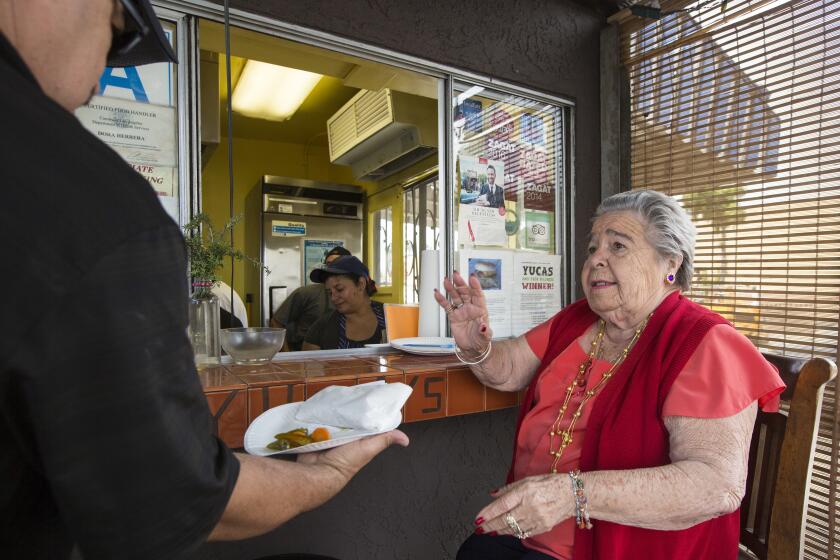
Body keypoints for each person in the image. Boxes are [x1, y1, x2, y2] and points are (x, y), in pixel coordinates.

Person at [0, 2, 407, 559]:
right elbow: (171, 497)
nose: (110, 69)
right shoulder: (89, 207)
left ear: (363, 285)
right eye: (118, 30)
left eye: (343, 281)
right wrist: (328, 472)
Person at [434, 190, 785, 559]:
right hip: (529, 533)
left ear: (670, 263)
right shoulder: (578, 320)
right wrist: (476, 346)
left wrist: (572, 495)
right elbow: (507, 372)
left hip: (629, 550)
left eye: (617, 246)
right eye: (593, 248)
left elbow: (715, 486)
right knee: (475, 552)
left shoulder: (703, 342)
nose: (596, 259)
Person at [270, 245, 351, 350]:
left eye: (337, 264)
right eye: (328, 264)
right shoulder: (306, 293)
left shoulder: (356, 297)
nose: (331, 269)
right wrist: (287, 355)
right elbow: (276, 323)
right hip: (303, 358)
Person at [303, 256, 386, 350]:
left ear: (361, 284)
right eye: (329, 292)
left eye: (339, 289)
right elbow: (309, 363)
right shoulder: (321, 327)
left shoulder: (391, 318)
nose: (333, 298)